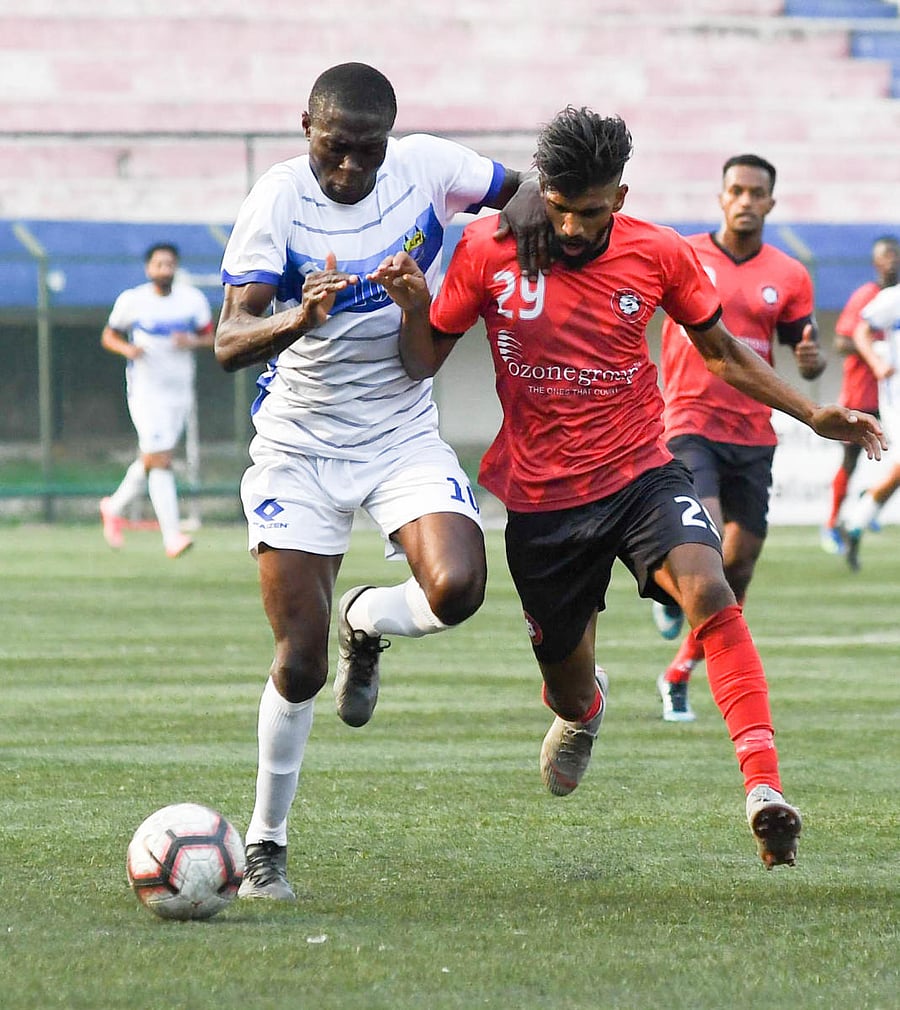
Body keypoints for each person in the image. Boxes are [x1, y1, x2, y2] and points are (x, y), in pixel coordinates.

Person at [391, 107, 884, 868]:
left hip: (641, 472)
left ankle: (763, 788)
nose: (576, 228)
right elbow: (423, 361)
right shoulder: (487, 251)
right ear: (544, 191)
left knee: (713, 589)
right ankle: (585, 712)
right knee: (564, 685)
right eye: (561, 210)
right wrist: (414, 309)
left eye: (593, 213)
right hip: (542, 501)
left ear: (619, 196)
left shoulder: (660, 252)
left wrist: (813, 411)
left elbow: (719, 353)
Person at [214, 62, 548, 901]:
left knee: (461, 586)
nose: (353, 169)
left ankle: (367, 616)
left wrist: (526, 245)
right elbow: (228, 340)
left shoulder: (430, 168)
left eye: (369, 150)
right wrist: (301, 315)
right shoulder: (279, 200)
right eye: (337, 149)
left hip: (400, 429)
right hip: (298, 442)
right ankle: (266, 842)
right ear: (307, 128)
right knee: (299, 661)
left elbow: (525, 192)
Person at [651, 153, 826, 722]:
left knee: (741, 564)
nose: (746, 200)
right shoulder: (685, 255)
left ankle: (679, 671)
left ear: (771, 203)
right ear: (722, 197)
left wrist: (813, 358)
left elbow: (807, 350)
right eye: (737, 191)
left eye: (757, 193)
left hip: (752, 431)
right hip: (688, 420)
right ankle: (670, 590)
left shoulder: (790, 274)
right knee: (707, 545)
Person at [99, 242, 213, 558]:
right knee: (161, 459)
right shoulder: (133, 301)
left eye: (169, 264)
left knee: (152, 458)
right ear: (149, 269)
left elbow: (212, 336)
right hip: (146, 392)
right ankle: (172, 536)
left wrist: (192, 340)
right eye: (158, 264)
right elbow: (109, 336)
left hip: (178, 391)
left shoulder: (192, 300)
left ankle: (113, 507)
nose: (164, 269)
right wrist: (128, 350)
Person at [821, 236, 899, 555]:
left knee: (891, 460)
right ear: (875, 263)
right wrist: (877, 354)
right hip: (863, 390)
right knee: (851, 457)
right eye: (885, 257)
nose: (891, 261)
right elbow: (843, 340)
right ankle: (835, 521)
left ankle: (869, 505)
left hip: (888, 393)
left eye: (895, 255)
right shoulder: (869, 296)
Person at [840, 279, 900, 570]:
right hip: (897, 400)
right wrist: (876, 363)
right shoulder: (893, 299)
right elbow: (860, 331)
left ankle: (857, 519)